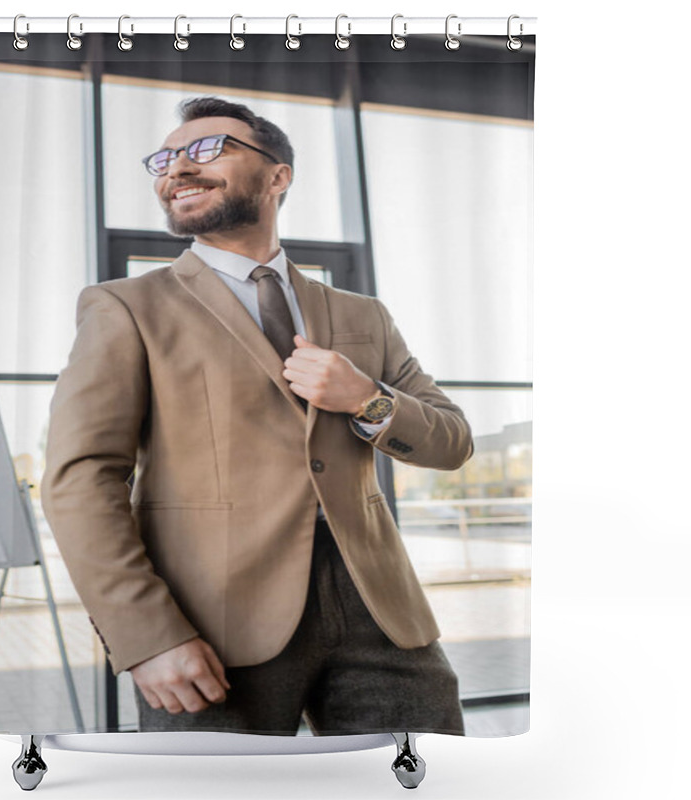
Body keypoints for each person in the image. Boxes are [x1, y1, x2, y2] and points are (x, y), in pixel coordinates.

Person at [41, 96, 474, 736]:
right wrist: (147, 636)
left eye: (207, 149)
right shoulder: (126, 307)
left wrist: (366, 399)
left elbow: (453, 441)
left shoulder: (362, 315)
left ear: (278, 176)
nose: (176, 169)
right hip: (210, 624)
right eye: (164, 159)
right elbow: (80, 479)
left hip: (380, 610)